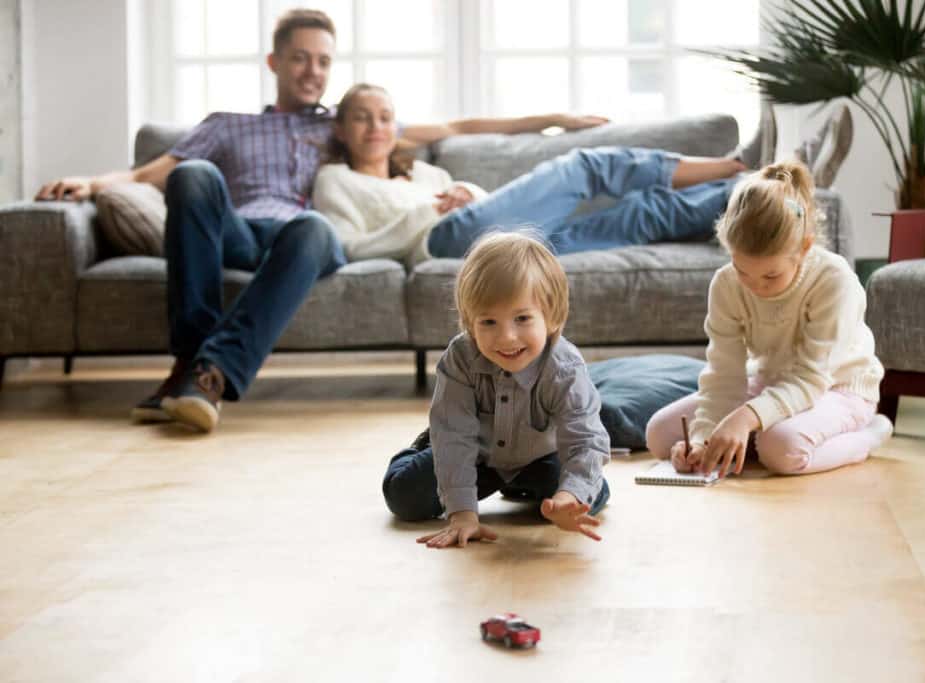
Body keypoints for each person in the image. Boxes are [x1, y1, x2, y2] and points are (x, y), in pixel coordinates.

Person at [34, 9, 607, 433]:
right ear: (275, 62)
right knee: (193, 176)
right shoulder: (227, 123)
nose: (313, 71)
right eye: (301, 58)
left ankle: (208, 374)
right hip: (239, 231)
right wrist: (90, 184)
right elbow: (153, 170)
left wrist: (553, 118)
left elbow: (459, 127)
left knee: (312, 228)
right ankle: (191, 362)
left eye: (324, 60)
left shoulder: (342, 124)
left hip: (305, 240)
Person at [312, 83, 754, 266]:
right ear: (340, 128)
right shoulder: (336, 180)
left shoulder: (426, 173)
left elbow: (489, 211)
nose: (375, 128)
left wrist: (468, 192)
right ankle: (734, 162)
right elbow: (347, 248)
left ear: (397, 126)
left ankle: (749, 189)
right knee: (583, 167)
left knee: (640, 214)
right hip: (442, 243)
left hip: (499, 246)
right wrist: (423, 215)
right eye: (362, 118)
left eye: (385, 117)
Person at [645, 161, 893, 478]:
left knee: (781, 450)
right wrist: (701, 440)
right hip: (769, 384)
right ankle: (744, 440)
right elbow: (724, 375)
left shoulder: (834, 280)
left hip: (837, 388)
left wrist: (745, 418)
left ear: (804, 248)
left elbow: (811, 379)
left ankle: (869, 434)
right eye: (742, 269)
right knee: (660, 435)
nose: (755, 286)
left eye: (771, 275)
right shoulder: (726, 283)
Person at [382, 232, 611, 548]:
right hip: (477, 455)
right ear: (469, 322)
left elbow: (585, 440)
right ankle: (422, 447)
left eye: (522, 318)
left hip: (541, 457)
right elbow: (454, 438)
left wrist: (566, 498)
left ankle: (529, 487)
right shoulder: (461, 358)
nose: (506, 337)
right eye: (488, 322)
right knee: (403, 497)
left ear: (552, 316)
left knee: (588, 496)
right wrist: (462, 514)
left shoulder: (564, 366)